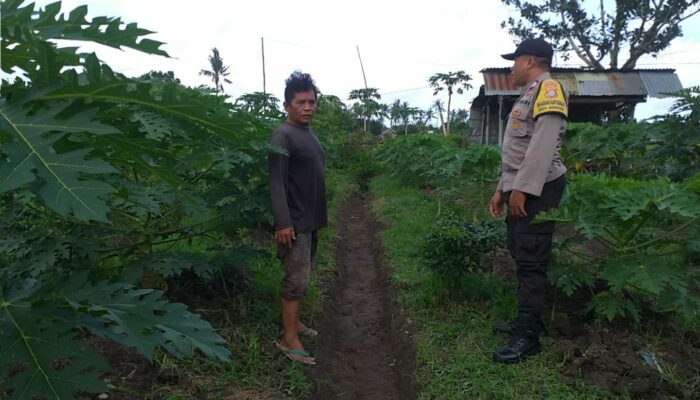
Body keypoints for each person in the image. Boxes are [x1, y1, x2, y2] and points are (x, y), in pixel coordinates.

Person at [487, 38, 568, 363]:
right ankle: (527, 321)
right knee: (521, 252)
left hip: (539, 188)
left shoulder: (549, 91)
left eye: (515, 60)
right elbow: (516, 151)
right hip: (522, 186)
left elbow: (542, 146)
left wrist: (523, 189)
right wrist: (501, 188)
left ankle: (528, 338)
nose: (511, 67)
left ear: (530, 61)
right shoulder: (529, 93)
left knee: (532, 260)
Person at [268, 71, 327, 365]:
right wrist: (282, 222)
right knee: (295, 279)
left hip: (310, 220)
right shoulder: (282, 135)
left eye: (312, 101)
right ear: (287, 105)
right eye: (301, 102)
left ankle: (296, 325)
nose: (308, 107)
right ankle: (288, 339)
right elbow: (276, 182)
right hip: (294, 224)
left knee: (302, 277)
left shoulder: (308, 133)